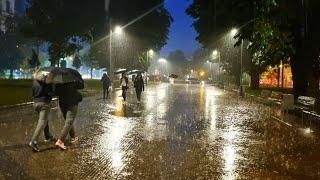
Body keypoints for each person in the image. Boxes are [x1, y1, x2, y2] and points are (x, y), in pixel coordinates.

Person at [29, 75, 56, 152]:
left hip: (35, 104)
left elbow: (33, 93)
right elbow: (49, 94)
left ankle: (48, 136)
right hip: (44, 104)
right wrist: (52, 89)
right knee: (42, 122)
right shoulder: (46, 83)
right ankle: (33, 141)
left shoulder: (35, 82)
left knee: (44, 120)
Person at [54, 82, 83, 150]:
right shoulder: (72, 80)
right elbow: (81, 87)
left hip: (62, 104)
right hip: (72, 103)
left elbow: (55, 93)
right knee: (69, 122)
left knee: (69, 121)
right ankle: (60, 141)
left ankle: (73, 137)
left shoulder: (59, 81)